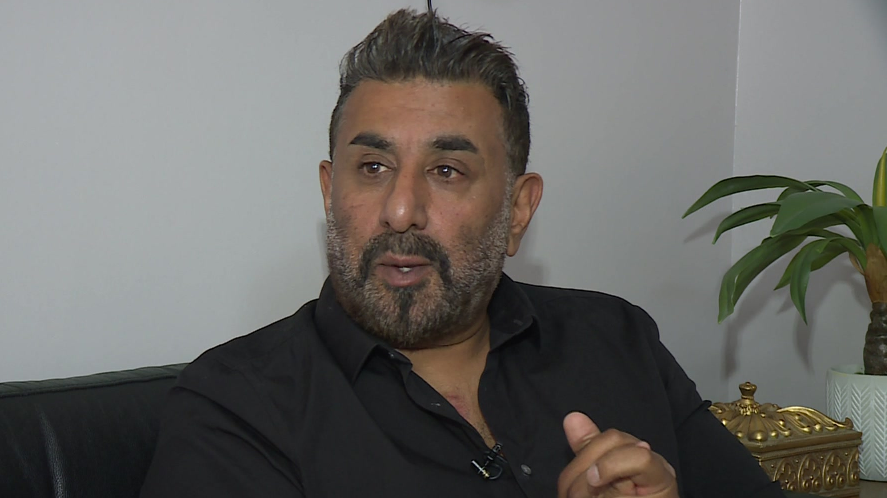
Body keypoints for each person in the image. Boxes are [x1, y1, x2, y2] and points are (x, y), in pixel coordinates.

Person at [141, 9, 785, 498]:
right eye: (371, 167)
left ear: (518, 211)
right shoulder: (235, 407)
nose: (400, 209)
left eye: (447, 171)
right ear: (329, 192)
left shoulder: (616, 340)